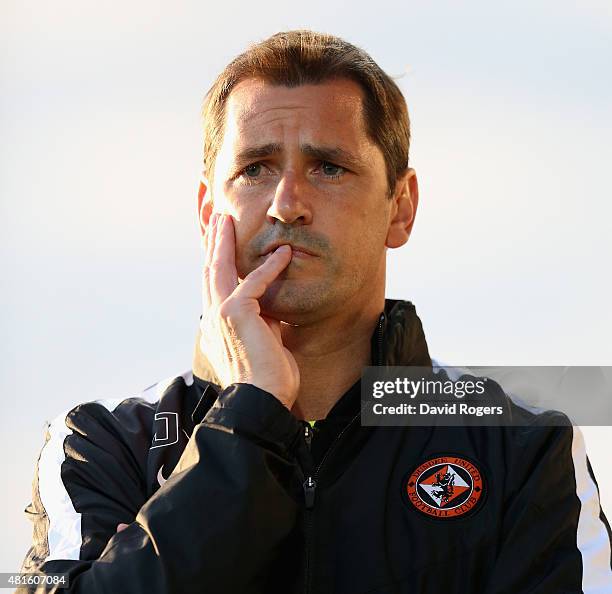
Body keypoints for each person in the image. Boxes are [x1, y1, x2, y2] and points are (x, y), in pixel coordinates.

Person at [17, 30, 612, 594]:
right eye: (255, 169)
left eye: (329, 167)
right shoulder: (102, 444)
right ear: (207, 213)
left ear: (400, 208)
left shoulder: (522, 443)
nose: (287, 205)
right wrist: (251, 414)